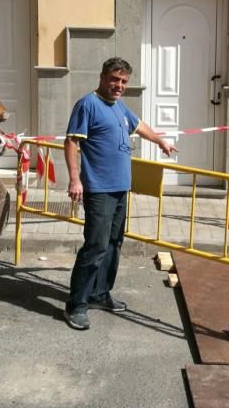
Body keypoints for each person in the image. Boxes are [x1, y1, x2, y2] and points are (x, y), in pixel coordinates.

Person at [63, 57, 177, 330]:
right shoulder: (88, 105)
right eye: (114, 79)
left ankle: (99, 294)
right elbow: (71, 142)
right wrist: (75, 179)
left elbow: (139, 126)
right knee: (96, 246)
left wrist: (159, 140)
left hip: (120, 189)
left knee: (114, 244)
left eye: (123, 81)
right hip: (99, 189)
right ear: (102, 77)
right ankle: (76, 304)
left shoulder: (120, 108)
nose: (119, 85)